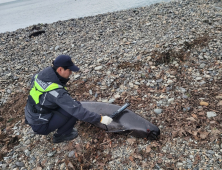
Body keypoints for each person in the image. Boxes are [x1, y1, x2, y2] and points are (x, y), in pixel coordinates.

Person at [25, 55, 113, 143]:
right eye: (69, 70)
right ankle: (61, 135)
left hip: (31, 114)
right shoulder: (56, 93)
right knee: (73, 109)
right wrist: (100, 119)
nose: (71, 73)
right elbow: (77, 111)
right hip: (40, 124)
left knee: (70, 105)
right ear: (60, 69)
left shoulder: (40, 76)